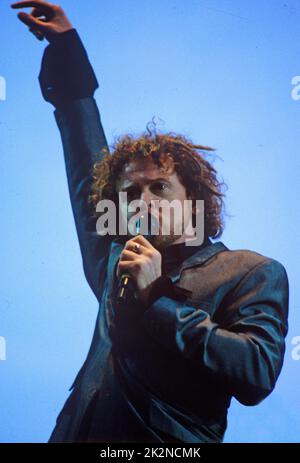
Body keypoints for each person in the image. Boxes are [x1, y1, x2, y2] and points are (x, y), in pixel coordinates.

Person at [11, 1, 289, 443]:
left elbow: (256, 372)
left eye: (159, 187)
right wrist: (65, 50)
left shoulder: (251, 272)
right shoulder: (113, 261)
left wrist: (157, 298)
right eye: (130, 193)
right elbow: (87, 162)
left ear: (192, 197)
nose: (143, 201)